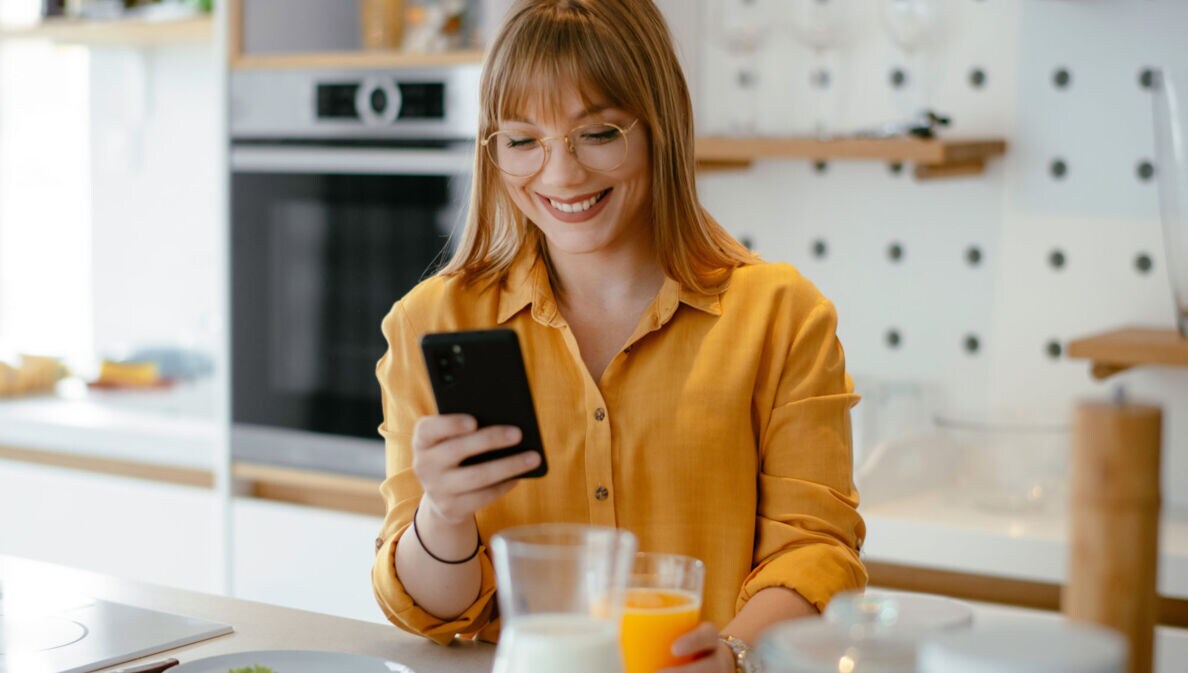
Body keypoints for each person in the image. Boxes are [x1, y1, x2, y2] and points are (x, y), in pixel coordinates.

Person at [372, 1, 866, 670]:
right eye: (523, 140)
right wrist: (444, 512)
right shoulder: (430, 322)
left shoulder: (782, 316)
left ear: (659, 125)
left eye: (598, 133)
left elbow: (815, 552)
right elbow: (428, 611)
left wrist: (734, 652)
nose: (562, 174)